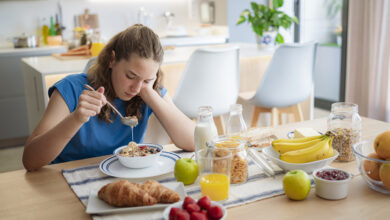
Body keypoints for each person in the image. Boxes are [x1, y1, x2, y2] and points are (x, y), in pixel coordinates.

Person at [23, 24, 195, 171]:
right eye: (130, 76)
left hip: (117, 180)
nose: (136, 88)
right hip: (65, 180)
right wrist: (76, 119)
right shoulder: (71, 88)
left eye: (147, 79)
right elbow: (30, 160)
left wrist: (151, 94)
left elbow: (194, 142)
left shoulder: (147, 91)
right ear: (112, 60)